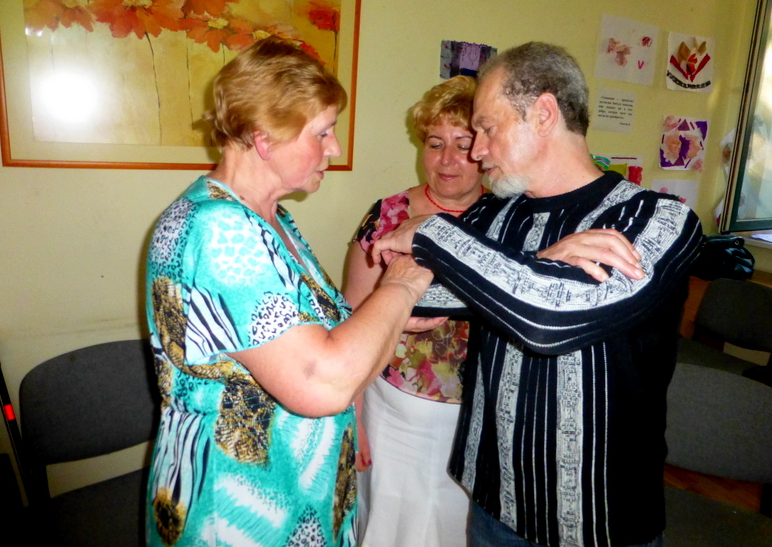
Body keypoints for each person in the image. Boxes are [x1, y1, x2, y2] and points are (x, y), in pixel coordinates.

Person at [373, 42, 703, 547]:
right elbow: (416, 298)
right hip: (493, 505)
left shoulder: (656, 219)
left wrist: (431, 231)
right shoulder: (492, 214)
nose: (476, 151)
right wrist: (546, 259)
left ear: (544, 114)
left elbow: (549, 320)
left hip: (600, 522)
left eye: (488, 128)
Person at [143, 37, 435, 547]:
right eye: (322, 132)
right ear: (264, 139)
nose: (335, 148)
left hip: (298, 499)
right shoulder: (220, 229)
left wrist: (386, 318)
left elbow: (306, 336)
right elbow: (321, 384)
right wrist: (402, 284)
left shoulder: (270, 219)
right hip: (240, 511)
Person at [342, 75, 483, 546]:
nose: (446, 159)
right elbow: (353, 318)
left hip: (480, 421)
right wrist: (352, 418)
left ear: (486, 148)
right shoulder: (388, 215)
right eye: (435, 143)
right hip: (395, 416)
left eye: (463, 145)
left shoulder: (511, 219)